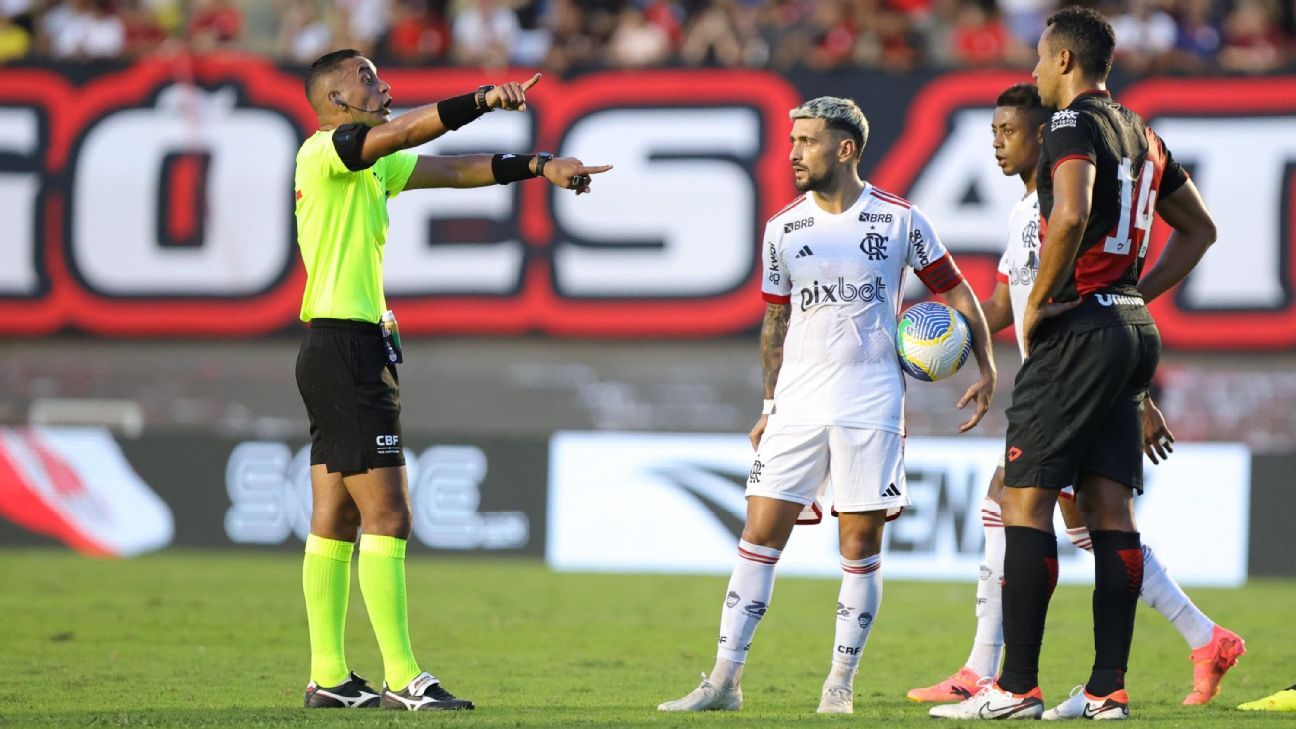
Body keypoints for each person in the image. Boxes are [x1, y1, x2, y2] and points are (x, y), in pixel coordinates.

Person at [658, 95, 997, 715]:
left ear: (845, 149)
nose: (792, 152)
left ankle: (838, 686)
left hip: (871, 401)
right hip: (796, 404)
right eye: (792, 141)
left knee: (859, 546)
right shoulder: (783, 228)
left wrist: (987, 363)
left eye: (807, 141)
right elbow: (775, 322)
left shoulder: (900, 220)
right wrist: (768, 402)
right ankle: (724, 682)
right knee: (758, 536)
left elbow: (958, 289)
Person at [293, 49, 610, 711]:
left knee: (336, 515)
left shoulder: (366, 160)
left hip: (335, 346)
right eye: (368, 79)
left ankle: (328, 674)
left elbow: (456, 170)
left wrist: (539, 165)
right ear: (336, 100)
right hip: (346, 350)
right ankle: (403, 676)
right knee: (390, 513)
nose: (383, 86)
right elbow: (410, 133)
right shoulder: (329, 150)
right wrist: (483, 100)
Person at [910, 83, 1244, 710]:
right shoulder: (1031, 211)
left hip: (1072, 371)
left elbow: (1057, 301)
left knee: (1016, 504)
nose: (995, 143)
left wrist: (1133, 392)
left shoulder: (1071, 187)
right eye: (992, 131)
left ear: (1044, 134)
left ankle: (997, 678)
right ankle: (1151, 664)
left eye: (1007, 130)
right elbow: (1009, 303)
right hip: (1090, 361)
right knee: (1092, 515)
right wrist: (974, 349)